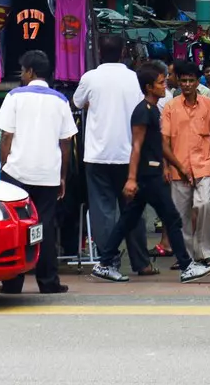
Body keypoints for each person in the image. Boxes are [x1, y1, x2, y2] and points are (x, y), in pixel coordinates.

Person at [91, 62, 210, 283]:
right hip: (147, 177)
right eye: (160, 82)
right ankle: (187, 266)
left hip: (150, 175)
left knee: (128, 220)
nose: (164, 85)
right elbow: (136, 147)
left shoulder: (153, 110)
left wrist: (177, 166)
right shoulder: (142, 112)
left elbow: (160, 146)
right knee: (173, 218)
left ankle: (104, 262)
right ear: (149, 87)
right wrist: (131, 179)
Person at [0, 49, 76, 295]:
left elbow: (6, 136)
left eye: (22, 70)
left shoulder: (14, 97)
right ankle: (48, 281)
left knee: (16, 227)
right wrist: (62, 175)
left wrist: (5, 164)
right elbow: (66, 143)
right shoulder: (60, 100)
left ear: (30, 72)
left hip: (17, 173)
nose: (21, 74)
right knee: (45, 226)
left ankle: (12, 282)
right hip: (48, 174)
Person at [75, 34, 153, 275]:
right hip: (130, 154)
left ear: (99, 51)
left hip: (98, 155)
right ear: (122, 53)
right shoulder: (135, 79)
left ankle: (109, 262)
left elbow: (77, 102)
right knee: (134, 209)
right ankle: (141, 263)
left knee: (103, 211)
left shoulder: (90, 78)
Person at [162, 62, 210, 270]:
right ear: (178, 82)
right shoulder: (171, 106)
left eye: (191, 80)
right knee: (180, 215)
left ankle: (205, 252)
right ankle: (185, 256)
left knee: (205, 204)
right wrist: (167, 167)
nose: (187, 84)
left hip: (204, 165)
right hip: (178, 167)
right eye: (183, 80)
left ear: (198, 82)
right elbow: (165, 141)